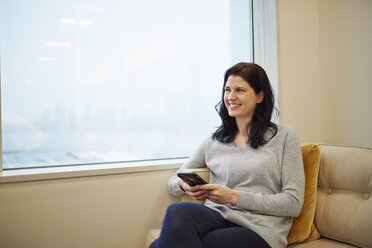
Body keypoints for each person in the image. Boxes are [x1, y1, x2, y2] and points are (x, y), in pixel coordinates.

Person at [150, 62, 305, 248]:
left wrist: (234, 197)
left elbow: (293, 203)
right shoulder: (214, 141)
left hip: (259, 229)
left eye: (240, 90)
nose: (231, 97)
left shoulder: (284, 136)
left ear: (260, 96)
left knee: (164, 245)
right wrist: (184, 185)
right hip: (218, 216)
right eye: (227, 90)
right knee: (178, 211)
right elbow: (174, 180)